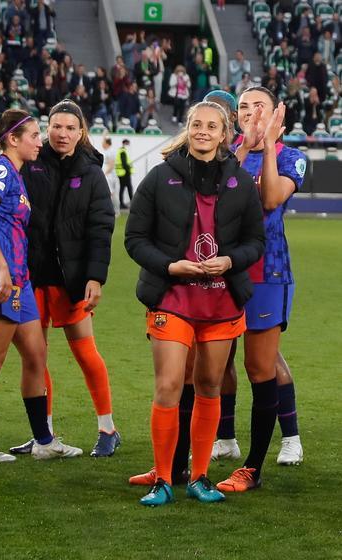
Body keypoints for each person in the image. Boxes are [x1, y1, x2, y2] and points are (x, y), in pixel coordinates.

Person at [124, 101, 265, 506]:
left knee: (208, 386)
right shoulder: (159, 177)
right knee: (169, 385)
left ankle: (199, 477)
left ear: (225, 134)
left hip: (222, 302)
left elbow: (256, 241)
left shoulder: (240, 180)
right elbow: (134, 239)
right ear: (188, 130)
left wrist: (232, 260)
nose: (203, 131)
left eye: (212, 126)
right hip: (172, 296)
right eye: (196, 124)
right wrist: (171, 266)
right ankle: (163, 479)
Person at [0, 109, 82, 463]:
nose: (40, 140)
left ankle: (44, 441)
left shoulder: (16, 175)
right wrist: (1, 267)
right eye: (33, 135)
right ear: (12, 140)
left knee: (36, 355)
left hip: (20, 281)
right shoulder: (0, 170)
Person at [13, 100, 118, 457]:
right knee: (35, 356)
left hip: (70, 278)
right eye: (56, 126)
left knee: (85, 352)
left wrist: (95, 276)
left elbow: (101, 227)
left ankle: (108, 428)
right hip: (31, 276)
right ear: (47, 128)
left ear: (81, 132)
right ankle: (45, 434)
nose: (62, 134)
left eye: (70, 128)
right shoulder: (31, 163)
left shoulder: (90, 172)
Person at [215, 87, 306, 493]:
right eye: (246, 108)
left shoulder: (290, 156)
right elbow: (210, 197)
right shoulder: (223, 151)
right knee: (218, 361)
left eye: (261, 108)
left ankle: (271, 453)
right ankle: (225, 438)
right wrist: (242, 149)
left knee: (260, 366)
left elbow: (270, 199)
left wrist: (266, 147)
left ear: (276, 115)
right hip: (220, 270)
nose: (252, 114)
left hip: (267, 273)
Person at [102, 137, 120, 216]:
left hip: (110, 176)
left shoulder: (110, 151)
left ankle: (116, 211)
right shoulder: (107, 151)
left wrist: (105, 173)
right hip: (108, 175)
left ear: (107, 143)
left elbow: (111, 164)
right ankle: (113, 210)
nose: (102, 144)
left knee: (111, 193)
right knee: (110, 193)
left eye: (103, 142)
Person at [115, 138, 134, 210]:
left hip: (122, 172)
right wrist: (128, 170)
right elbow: (124, 163)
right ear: (124, 143)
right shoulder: (122, 151)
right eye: (128, 144)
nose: (129, 145)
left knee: (123, 188)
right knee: (128, 188)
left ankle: (122, 204)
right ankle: (130, 203)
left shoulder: (121, 151)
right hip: (124, 173)